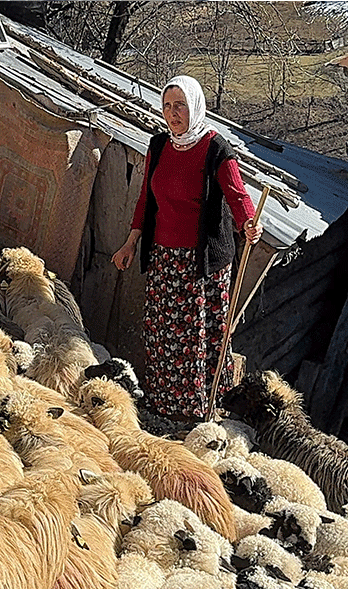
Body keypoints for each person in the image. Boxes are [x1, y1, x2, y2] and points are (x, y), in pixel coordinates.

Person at [111, 75, 262, 424]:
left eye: (180, 105)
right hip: (164, 258)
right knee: (161, 331)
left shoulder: (215, 148)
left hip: (201, 262)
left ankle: (198, 409)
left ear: (194, 107)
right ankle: (163, 403)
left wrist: (249, 223)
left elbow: (237, 195)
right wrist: (131, 242)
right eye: (167, 105)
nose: (173, 113)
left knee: (195, 334)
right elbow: (147, 199)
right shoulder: (160, 146)